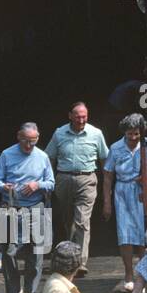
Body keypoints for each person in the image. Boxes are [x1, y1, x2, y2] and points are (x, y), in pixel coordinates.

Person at [0, 122, 55, 293]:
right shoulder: (6, 154)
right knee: (9, 251)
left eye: (33, 142)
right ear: (19, 136)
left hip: (35, 207)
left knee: (36, 252)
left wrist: (38, 185)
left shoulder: (42, 157)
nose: (29, 146)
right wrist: (3, 186)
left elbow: (51, 182)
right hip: (11, 207)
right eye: (26, 141)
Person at [46, 102, 109, 275]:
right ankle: (70, 254)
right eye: (78, 116)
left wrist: (106, 185)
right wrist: (49, 180)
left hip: (87, 178)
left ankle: (80, 261)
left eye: (84, 116)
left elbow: (105, 159)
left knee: (82, 220)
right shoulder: (59, 133)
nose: (81, 120)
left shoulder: (96, 134)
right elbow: (48, 157)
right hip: (64, 178)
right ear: (70, 116)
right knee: (68, 220)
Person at [102, 113, 147, 291]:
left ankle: (143, 275)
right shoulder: (115, 148)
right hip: (122, 190)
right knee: (125, 234)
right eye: (130, 134)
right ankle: (128, 273)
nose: (133, 137)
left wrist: (146, 182)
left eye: (136, 133)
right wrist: (107, 202)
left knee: (143, 233)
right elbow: (107, 177)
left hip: (141, 190)